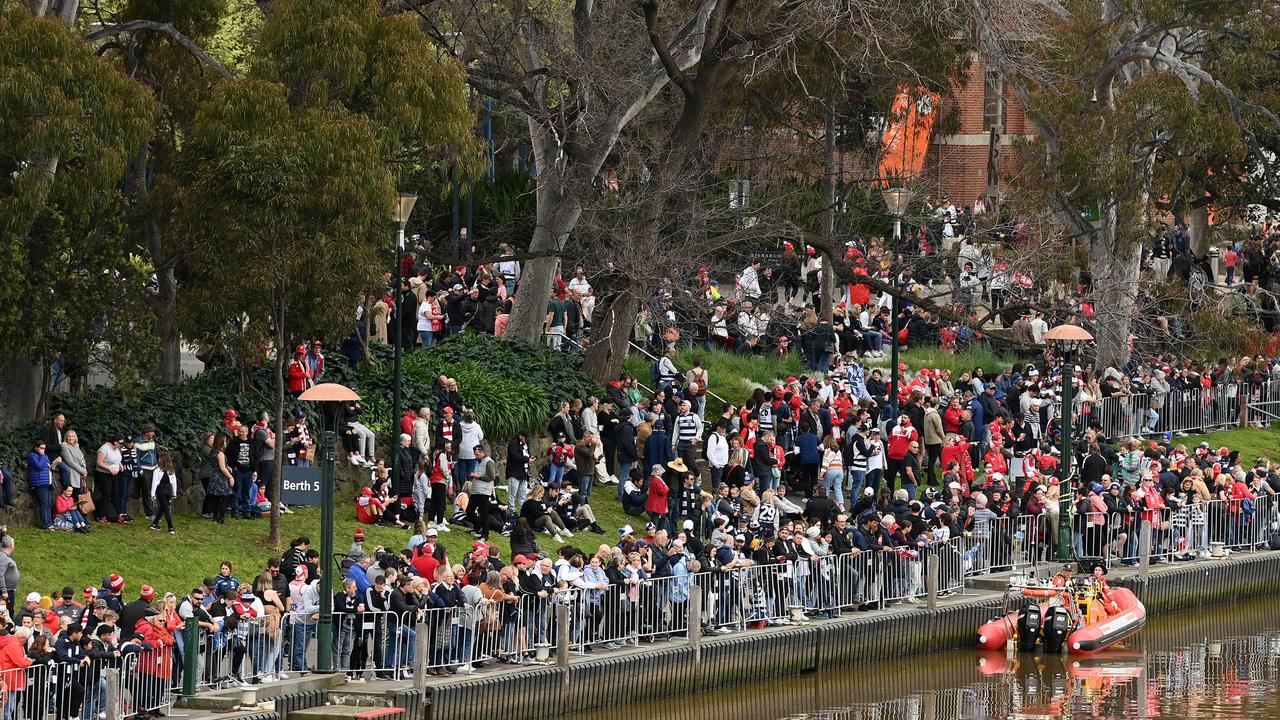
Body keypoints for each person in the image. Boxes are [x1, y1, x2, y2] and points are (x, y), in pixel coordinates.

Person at [26, 440, 59, 530]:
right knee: (44, 503)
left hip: (47, 482)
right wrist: (43, 456)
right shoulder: (32, 456)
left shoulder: (44, 456)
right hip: (39, 483)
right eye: (41, 448)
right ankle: (45, 524)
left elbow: (49, 467)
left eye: (44, 448)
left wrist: (54, 464)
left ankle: (49, 523)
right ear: (36, 448)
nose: (43, 450)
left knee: (48, 503)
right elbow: (39, 466)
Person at [149, 452, 179, 534]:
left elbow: (154, 482)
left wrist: (152, 494)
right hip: (168, 490)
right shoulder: (171, 470)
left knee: (164, 508)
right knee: (165, 507)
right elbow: (174, 482)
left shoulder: (157, 470)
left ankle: (167, 527)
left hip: (161, 490)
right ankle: (169, 527)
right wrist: (174, 492)